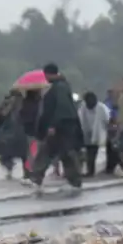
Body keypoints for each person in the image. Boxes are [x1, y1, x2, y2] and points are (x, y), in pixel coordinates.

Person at [29, 62, 83, 192]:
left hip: (60, 127)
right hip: (65, 126)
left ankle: (37, 178)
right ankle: (74, 181)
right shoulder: (62, 86)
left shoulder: (58, 88)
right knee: (65, 153)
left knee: (48, 152)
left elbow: (60, 108)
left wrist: (53, 125)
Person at [77, 91, 110, 178]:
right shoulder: (83, 108)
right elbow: (80, 119)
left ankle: (91, 171)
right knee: (89, 152)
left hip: (97, 133)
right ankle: (90, 170)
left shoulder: (102, 108)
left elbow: (108, 120)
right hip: (86, 133)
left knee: (92, 152)